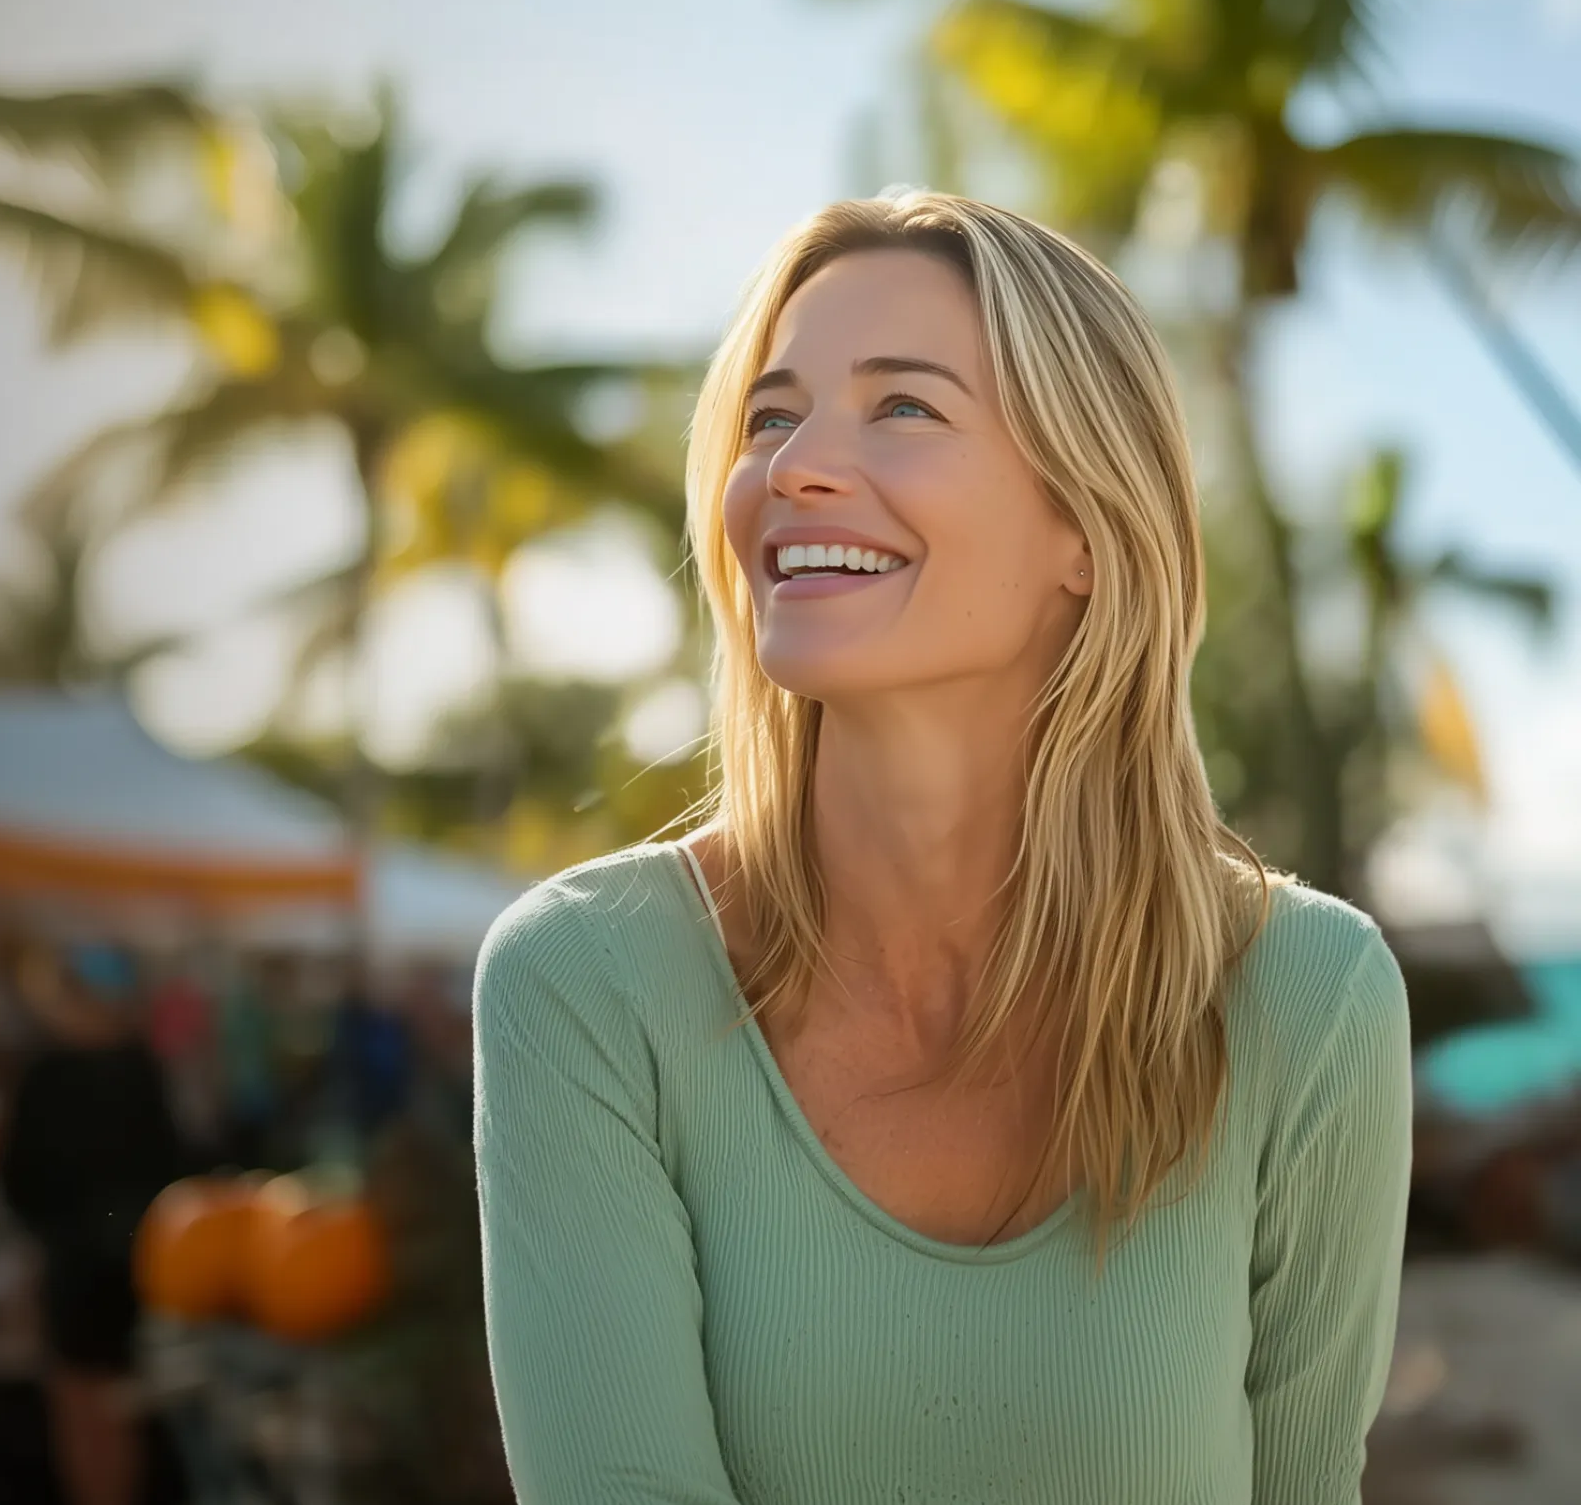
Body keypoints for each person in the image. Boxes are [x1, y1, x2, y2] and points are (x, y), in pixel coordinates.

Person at [474, 193, 1412, 1504]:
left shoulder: (1310, 1001)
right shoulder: (586, 982)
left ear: (1082, 529)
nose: (794, 465)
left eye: (902, 406)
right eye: (770, 414)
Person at [1, 943, 182, 1505]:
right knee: (99, 1412)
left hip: (98, 1270)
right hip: (106, 1267)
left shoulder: (65, 1073)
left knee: (98, 1413)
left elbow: (20, 1179)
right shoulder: (128, 1070)